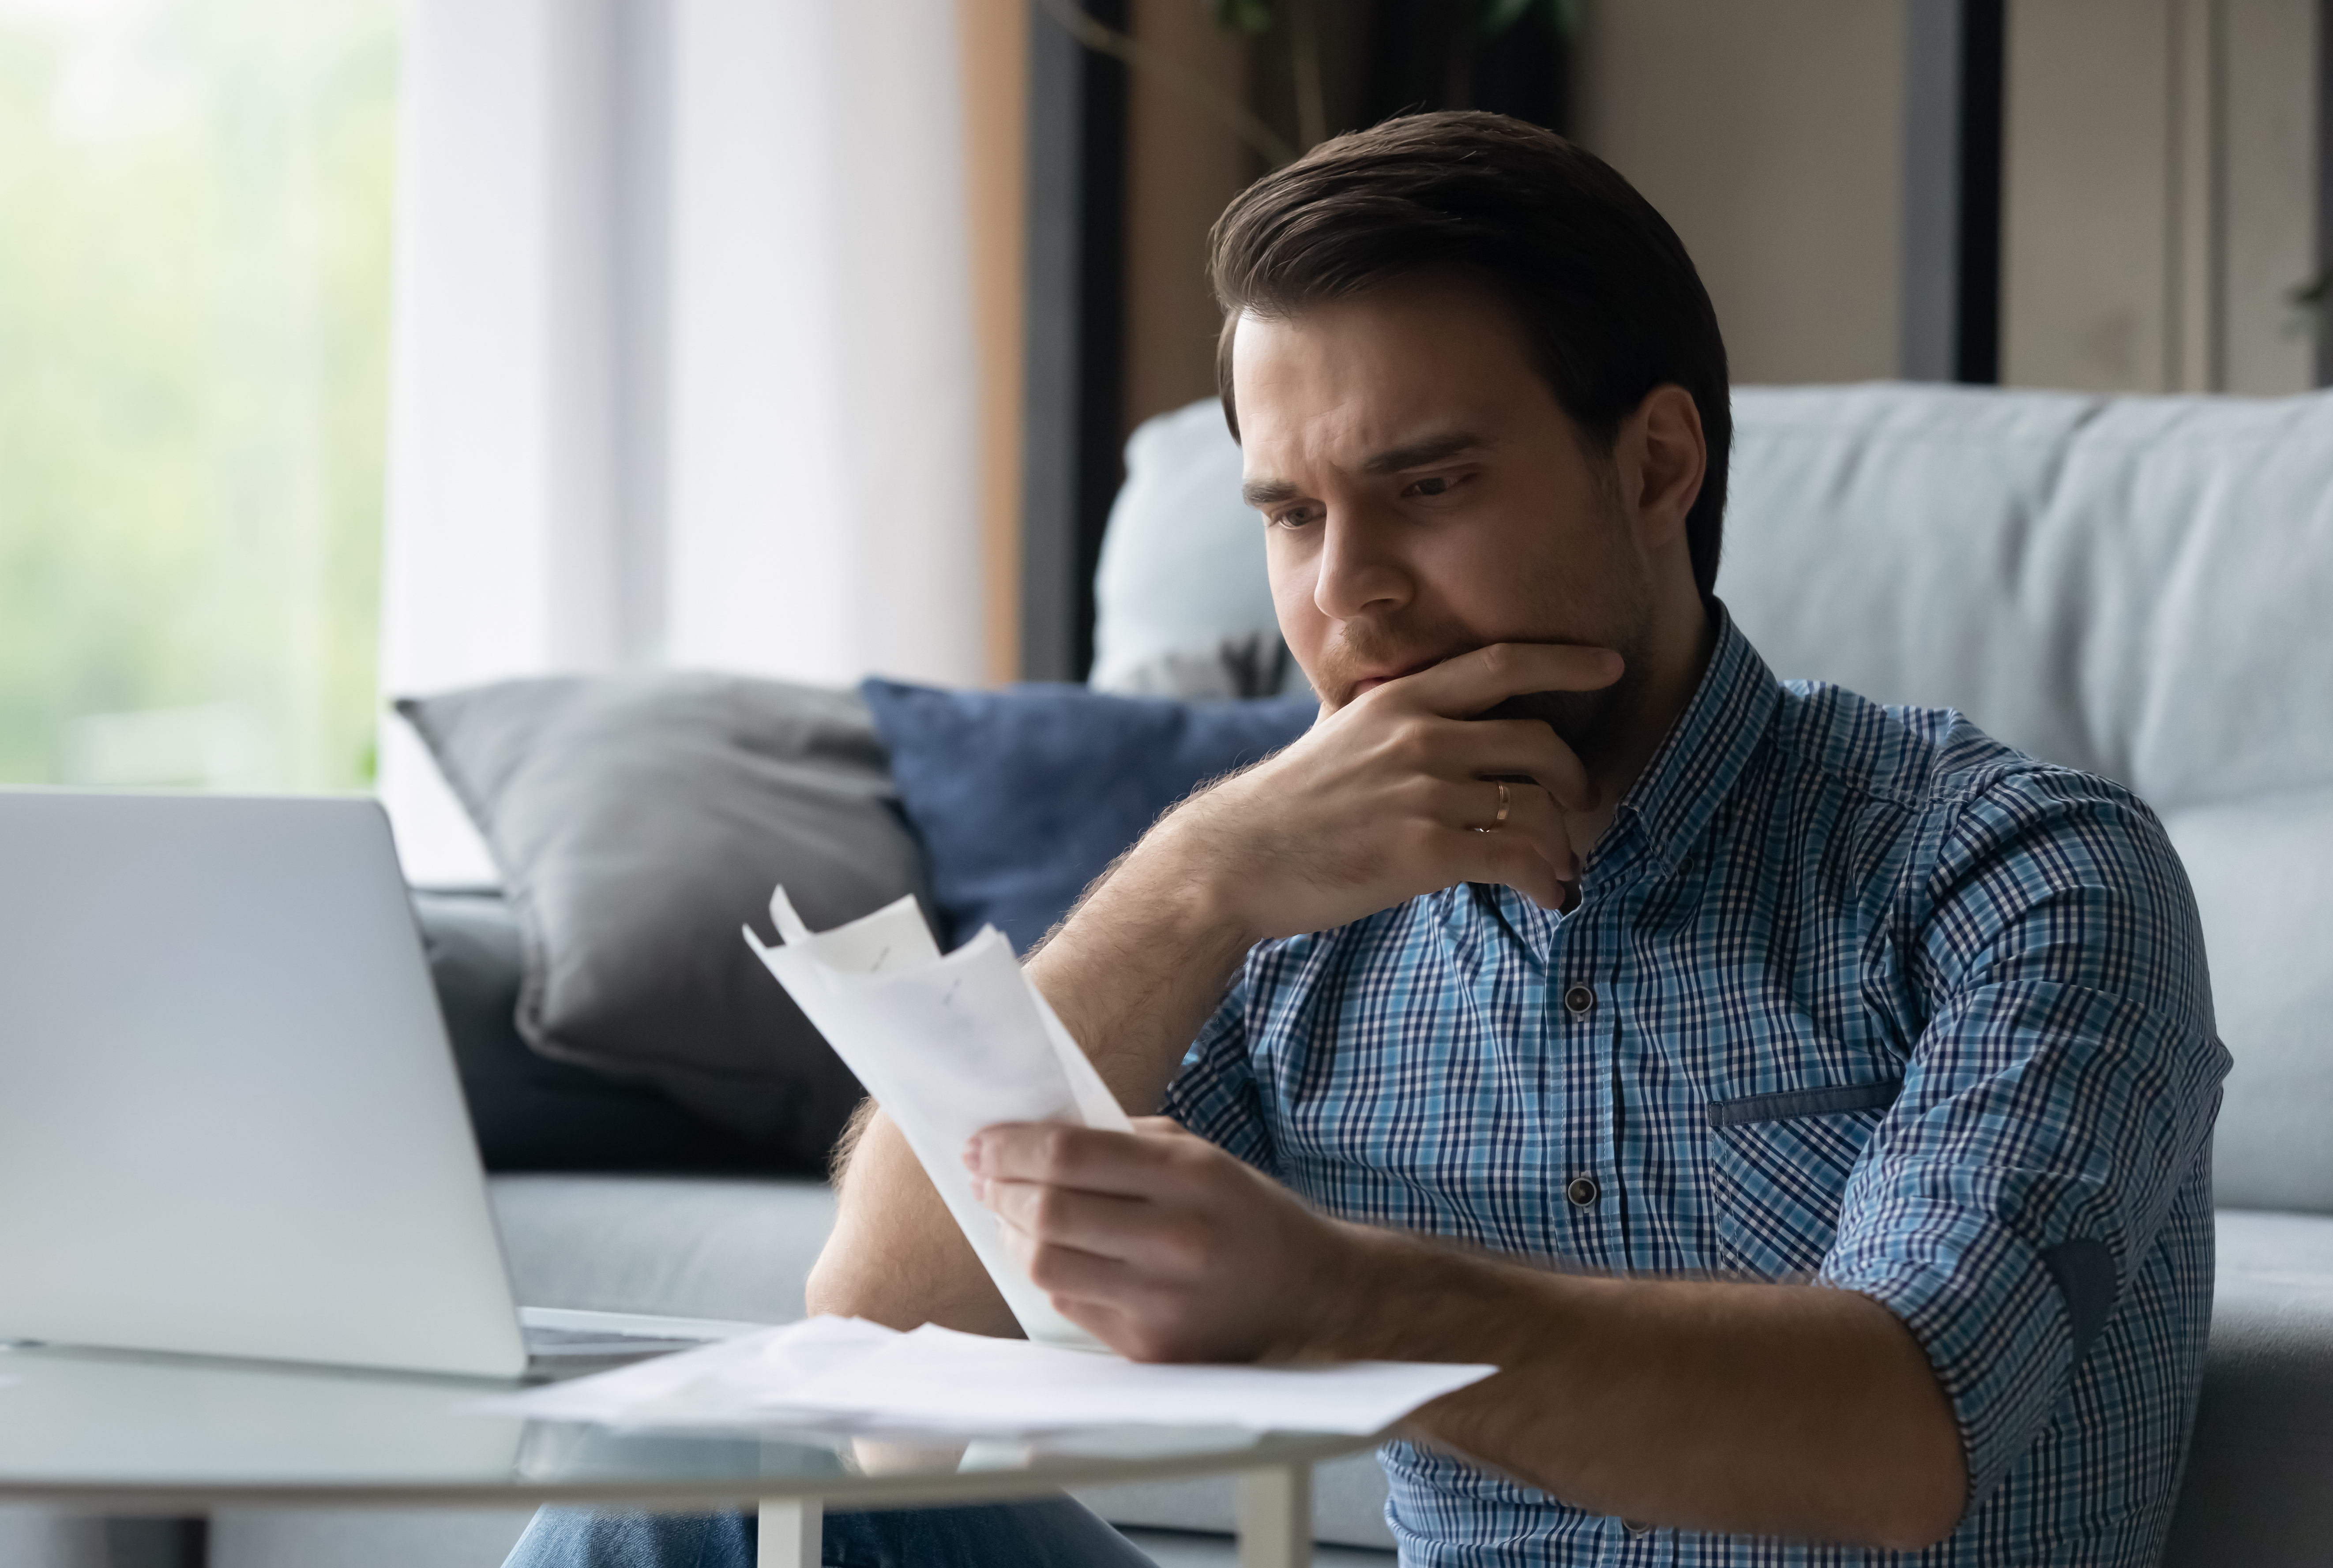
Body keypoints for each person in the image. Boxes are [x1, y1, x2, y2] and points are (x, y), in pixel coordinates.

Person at [510, 111, 2225, 1568]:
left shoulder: (2018, 875)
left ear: (1656, 464)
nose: (1349, 595)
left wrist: (1333, 1294)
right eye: (1290, 515)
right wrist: (1204, 881)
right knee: (690, 1484)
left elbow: (1903, 1432)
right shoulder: (1301, 902)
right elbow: (884, 1318)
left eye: (1427, 488)